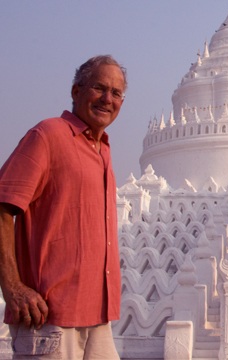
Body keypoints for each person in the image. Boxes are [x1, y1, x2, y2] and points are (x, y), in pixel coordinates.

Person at [0, 55, 126, 359]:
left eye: (117, 93)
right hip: (49, 319)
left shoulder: (103, 150)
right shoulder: (47, 136)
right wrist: (13, 288)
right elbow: (3, 207)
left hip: (98, 318)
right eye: (99, 88)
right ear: (76, 91)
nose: (107, 99)